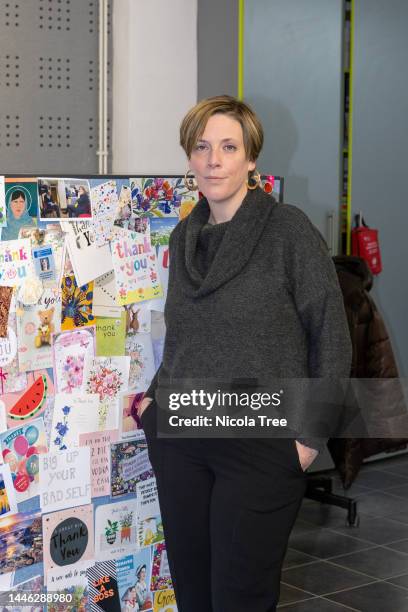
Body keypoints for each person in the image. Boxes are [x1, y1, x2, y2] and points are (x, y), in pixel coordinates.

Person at [137, 95, 352, 611]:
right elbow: (185, 336)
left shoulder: (288, 231)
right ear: (189, 157)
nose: (214, 160)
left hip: (262, 442)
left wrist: (308, 438)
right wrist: (153, 403)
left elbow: (331, 336)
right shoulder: (185, 234)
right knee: (193, 592)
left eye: (229, 147)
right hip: (183, 438)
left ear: (251, 158)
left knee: (240, 597)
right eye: (202, 147)